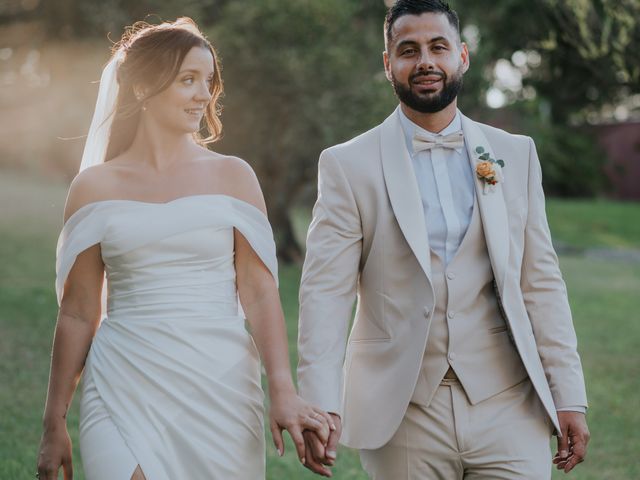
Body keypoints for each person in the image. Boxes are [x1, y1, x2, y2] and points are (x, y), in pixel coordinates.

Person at [297, 1, 590, 478]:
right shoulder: (348, 165)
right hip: (405, 409)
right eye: (408, 50)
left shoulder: (515, 155)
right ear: (387, 63)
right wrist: (320, 403)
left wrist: (569, 393)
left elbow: (541, 283)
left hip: (509, 402)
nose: (426, 62)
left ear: (463, 56)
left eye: (438, 47)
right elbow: (324, 293)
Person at [36, 17, 332, 480]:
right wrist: (54, 422)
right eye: (187, 80)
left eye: (208, 81)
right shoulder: (93, 187)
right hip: (123, 380)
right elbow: (77, 312)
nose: (204, 95)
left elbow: (258, 292)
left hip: (219, 383)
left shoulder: (234, 176)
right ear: (141, 89)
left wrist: (283, 389)